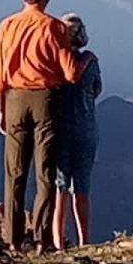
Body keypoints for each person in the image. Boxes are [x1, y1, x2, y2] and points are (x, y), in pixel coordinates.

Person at [0, 0, 89, 252]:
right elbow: (70, 74)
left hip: (14, 100)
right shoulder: (54, 27)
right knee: (45, 173)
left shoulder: (7, 26)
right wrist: (86, 58)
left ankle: (13, 240)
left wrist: (0, 108)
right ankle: (42, 239)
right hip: (46, 101)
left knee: (14, 172)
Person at [52, 14, 102, 249]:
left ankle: (58, 241)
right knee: (82, 187)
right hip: (86, 128)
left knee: (60, 187)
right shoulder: (90, 61)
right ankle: (85, 240)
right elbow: (97, 89)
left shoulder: (55, 63)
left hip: (60, 129)